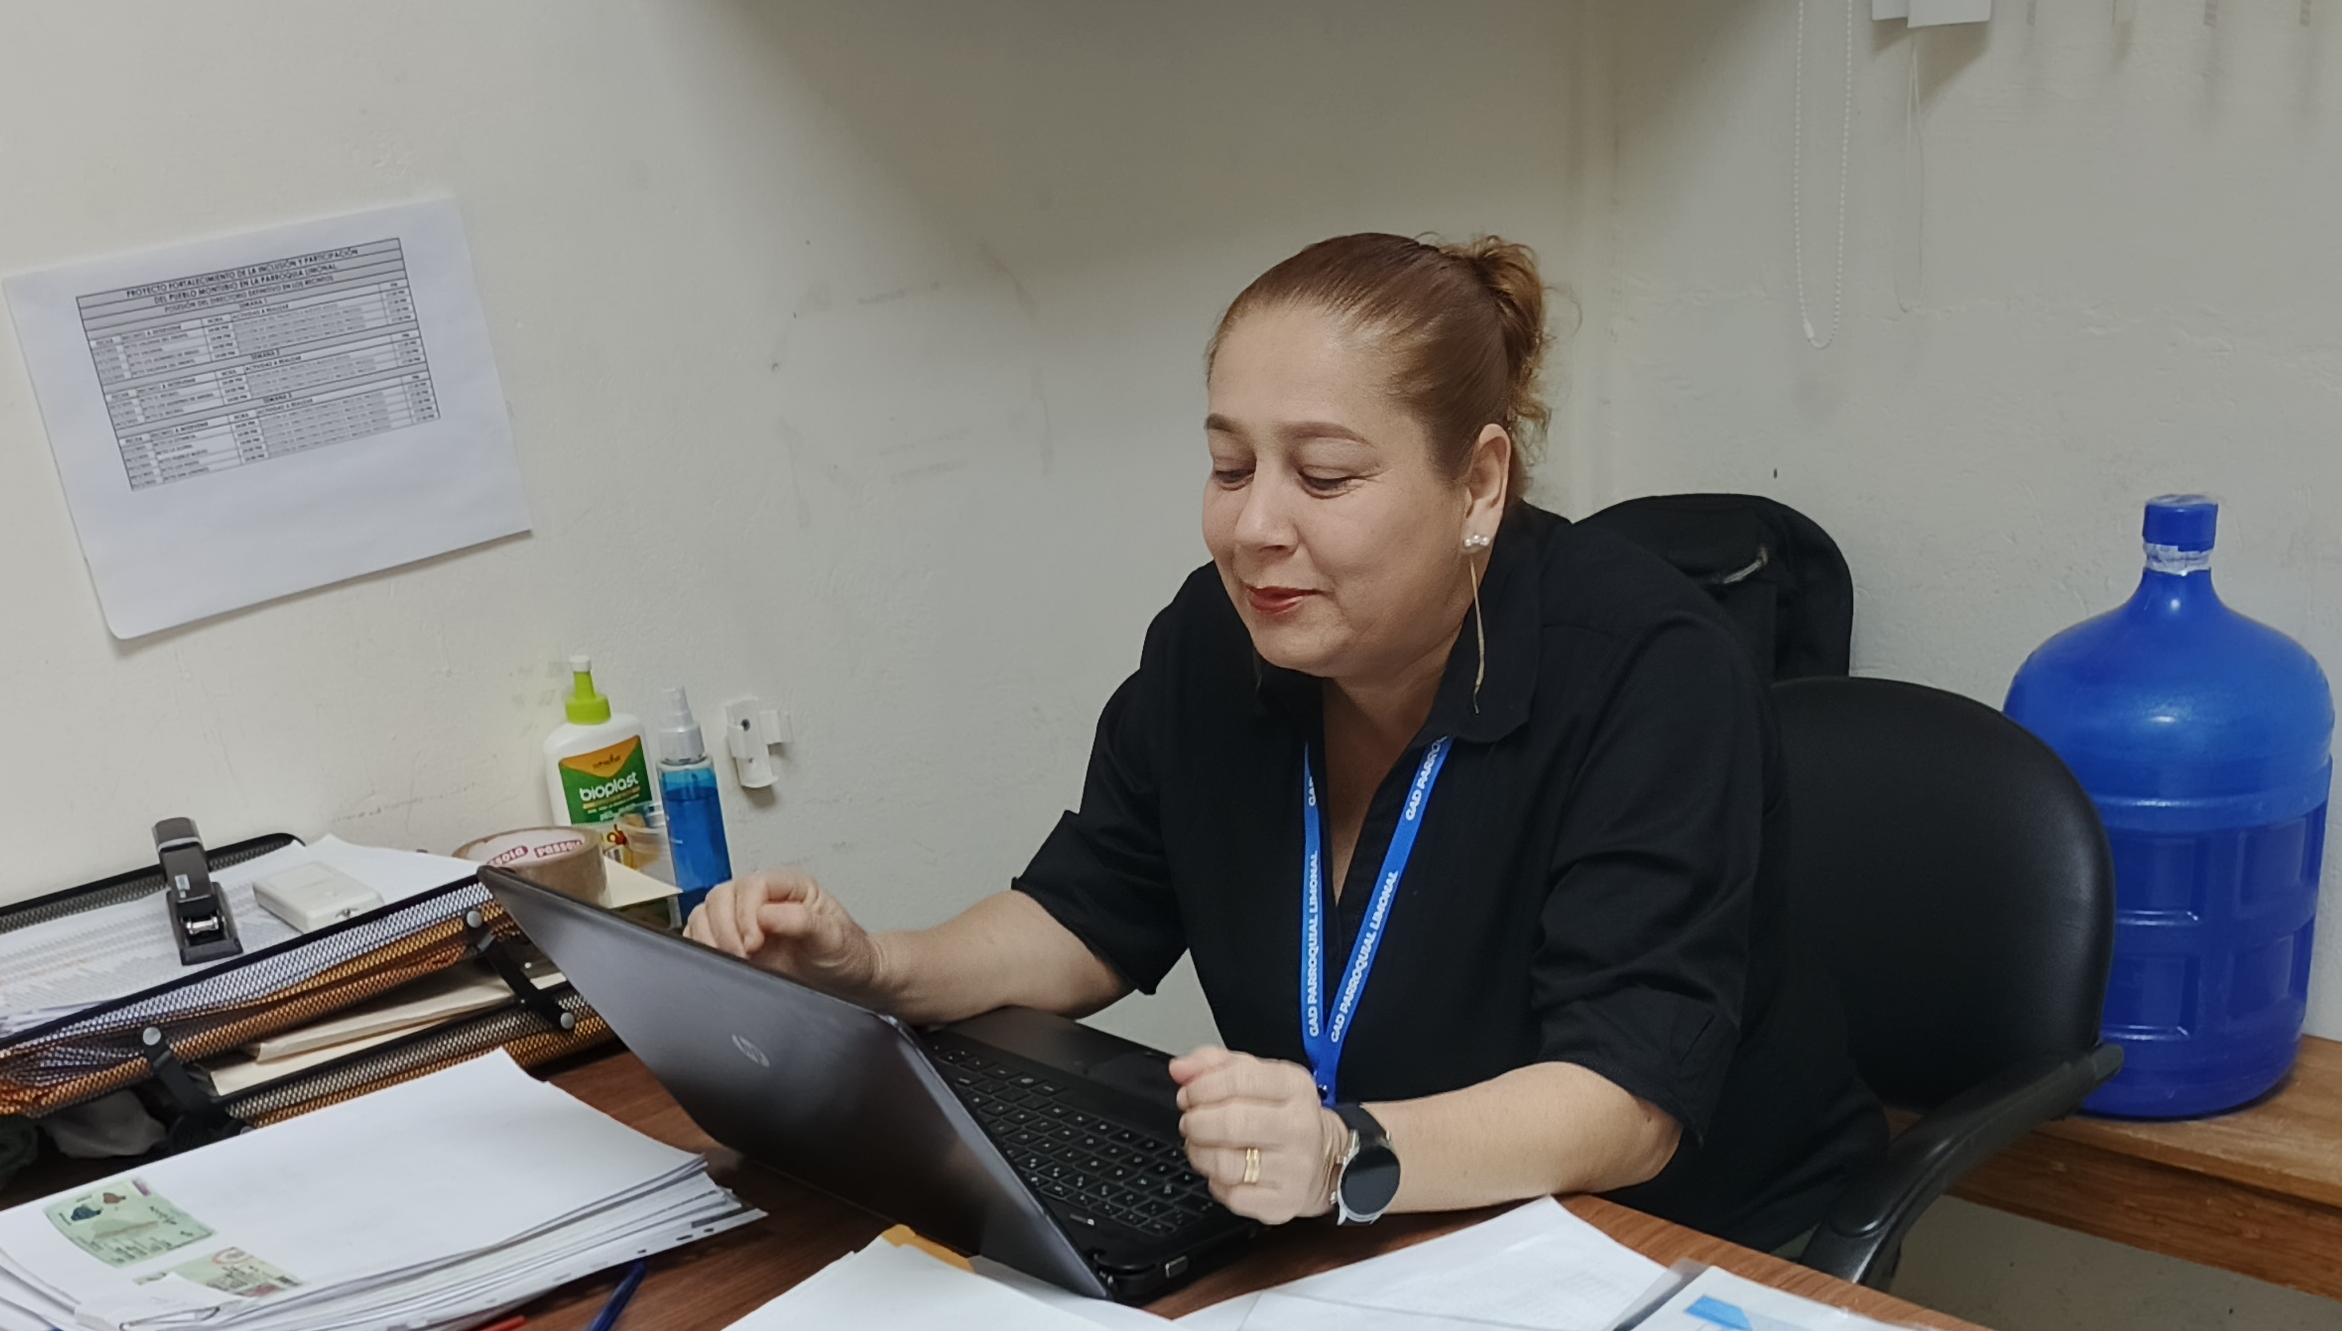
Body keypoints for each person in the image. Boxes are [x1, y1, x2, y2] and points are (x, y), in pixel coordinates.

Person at [685, 232, 1876, 1254]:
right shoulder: (1217, 642)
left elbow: (1626, 1103)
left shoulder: (1649, 672)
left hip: (1674, 1250)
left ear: (1477, 484)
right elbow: (1091, 911)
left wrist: (1345, 1151)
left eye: (1322, 475)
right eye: (1228, 465)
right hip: (1363, 1228)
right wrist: (875, 969)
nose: (1253, 526)